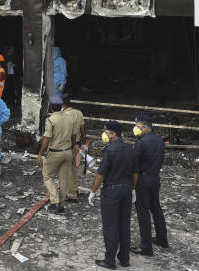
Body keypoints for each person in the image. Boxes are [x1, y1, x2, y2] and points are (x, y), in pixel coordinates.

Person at [89, 121, 137, 270]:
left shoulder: (109, 151)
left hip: (112, 192)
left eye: (107, 132)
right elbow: (135, 173)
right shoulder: (130, 149)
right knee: (124, 225)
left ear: (113, 134)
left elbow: (100, 175)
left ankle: (109, 260)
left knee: (110, 226)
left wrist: (93, 191)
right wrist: (133, 189)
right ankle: (124, 258)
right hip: (126, 190)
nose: (105, 134)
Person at [132, 114, 168, 256]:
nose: (136, 129)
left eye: (138, 127)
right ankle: (162, 239)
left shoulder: (141, 142)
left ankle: (146, 246)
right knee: (156, 209)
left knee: (143, 212)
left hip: (143, 179)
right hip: (155, 178)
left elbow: (134, 163)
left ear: (147, 127)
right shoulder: (159, 141)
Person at [36, 95, 75, 213]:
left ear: (51, 107)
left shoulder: (50, 120)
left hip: (54, 152)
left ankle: (55, 200)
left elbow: (47, 139)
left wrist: (40, 153)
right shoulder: (69, 118)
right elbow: (73, 136)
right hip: (67, 152)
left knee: (48, 176)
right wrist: (72, 148)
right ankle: (61, 205)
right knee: (63, 178)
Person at [60, 94, 85, 202]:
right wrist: (83, 143)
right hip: (76, 145)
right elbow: (82, 129)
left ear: (63, 105)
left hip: (67, 145)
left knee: (67, 170)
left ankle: (71, 194)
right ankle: (74, 189)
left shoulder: (63, 115)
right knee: (73, 168)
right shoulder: (78, 113)